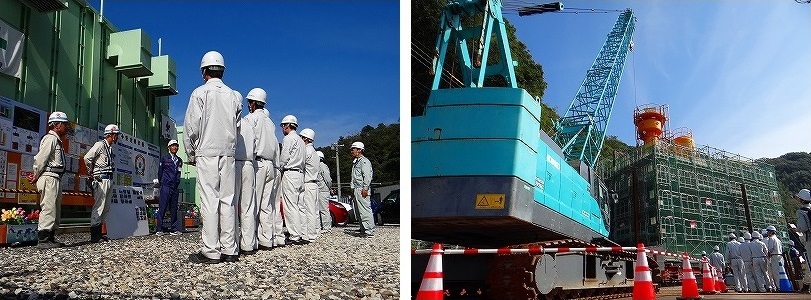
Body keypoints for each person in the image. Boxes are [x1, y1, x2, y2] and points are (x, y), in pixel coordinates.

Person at [184, 51, 242, 264]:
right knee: (228, 200)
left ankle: (211, 250)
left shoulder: (199, 93)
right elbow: (237, 128)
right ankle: (230, 249)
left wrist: (191, 153)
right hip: (228, 153)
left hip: (206, 151)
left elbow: (191, 127)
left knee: (210, 201)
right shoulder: (234, 96)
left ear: (204, 71)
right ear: (223, 71)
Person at [248, 89, 281, 251]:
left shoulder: (251, 119)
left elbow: (248, 142)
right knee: (266, 205)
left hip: (258, 164)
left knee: (253, 202)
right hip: (271, 166)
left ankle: (251, 240)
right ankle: (267, 240)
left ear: (253, 103)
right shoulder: (270, 122)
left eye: (249, 102)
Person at [31, 112, 69, 249]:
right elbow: (41, 158)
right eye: (64, 124)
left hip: (55, 177)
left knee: (54, 209)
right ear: (56, 125)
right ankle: (43, 239)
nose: (66, 127)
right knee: (48, 207)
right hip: (49, 177)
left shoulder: (57, 140)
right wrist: (36, 174)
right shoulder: (50, 139)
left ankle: (51, 237)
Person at [83, 124, 120, 243]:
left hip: (108, 179)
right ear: (111, 135)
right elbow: (87, 158)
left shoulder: (110, 148)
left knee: (106, 207)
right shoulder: (100, 145)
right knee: (99, 207)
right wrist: (91, 172)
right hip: (100, 180)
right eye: (116, 135)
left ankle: (101, 233)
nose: (117, 137)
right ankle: (94, 236)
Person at [234, 91, 257, 255]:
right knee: (248, 206)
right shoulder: (249, 123)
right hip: (249, 163)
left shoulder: (233, 122)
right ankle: (248, 244)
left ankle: (233, 242)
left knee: (232, 205)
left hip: (235, 163)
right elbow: (255, 146)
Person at [279, 115, 306, 244]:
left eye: (283, 126)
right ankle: (301, 233)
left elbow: (284, 157)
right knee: (300, 206)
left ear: (287, 125)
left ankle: (294, 236)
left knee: (290, 205)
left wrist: (279, 167)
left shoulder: (289, 138)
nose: (282, 128)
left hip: (290, 173)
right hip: (300, 174)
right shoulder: (301, 140)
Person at [155, 139, 183, 236]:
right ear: (169, 147)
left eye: (176, 146)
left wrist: (177, 182)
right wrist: (162, 183)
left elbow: (179, 172)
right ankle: (159, 229)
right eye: (173, 145)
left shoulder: (179, 161)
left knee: (174, 208)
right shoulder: (164, 159)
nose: (175, 147)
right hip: (166, 186)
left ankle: (174, 229)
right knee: (162, 207)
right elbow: (160, 173)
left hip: (175, 187)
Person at [299, 128, 320, 242]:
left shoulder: (307, 151)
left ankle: (311, 235)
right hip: (314, 184)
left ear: (306, 139)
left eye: (301, 137)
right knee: (315, 210)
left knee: (309, 210)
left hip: (308, 183)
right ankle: (316, 231)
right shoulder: (315, 152)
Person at [350, 141, 374, 237]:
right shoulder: (356, 162)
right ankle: (363, 228)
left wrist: (365, 188)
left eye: (353, 149)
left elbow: (367, 176)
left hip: (362, 188)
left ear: (359, 150)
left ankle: (369, 230)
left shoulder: (364, 161)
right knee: (358, 211)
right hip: (357, 189)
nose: (352, 151)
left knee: (364, 210)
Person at [795, 188, 811, 292]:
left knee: (810, 263)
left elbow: (803, 227)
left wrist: (797, 228)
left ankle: (806, 286)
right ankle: (805, 285)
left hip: (809, 239)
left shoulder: (801, 211)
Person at [316, 151, 333, 232]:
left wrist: (330, 187)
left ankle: (327, 227)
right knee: (320, 209)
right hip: (319, 190)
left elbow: (328, 179)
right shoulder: (317, 166)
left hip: (323, 190)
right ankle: (323, 226)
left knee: (324, 210)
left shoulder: (322, 166)